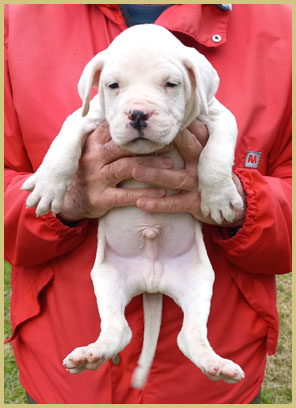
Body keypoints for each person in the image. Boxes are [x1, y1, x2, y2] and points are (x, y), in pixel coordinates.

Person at [4, 4, 291, 404]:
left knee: (195, 282)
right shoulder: (18, 17)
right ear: (96, 82)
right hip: (66, 382)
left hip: (212, 389)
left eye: (169, 85)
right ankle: (110, 331)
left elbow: (223, 122)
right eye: (115, 87)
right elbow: (78, 121)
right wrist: (61, 190)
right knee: (108, 281)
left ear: (197, 81)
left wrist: (233, 194)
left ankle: (197, 339)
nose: (138, 111)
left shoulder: (280, 23)